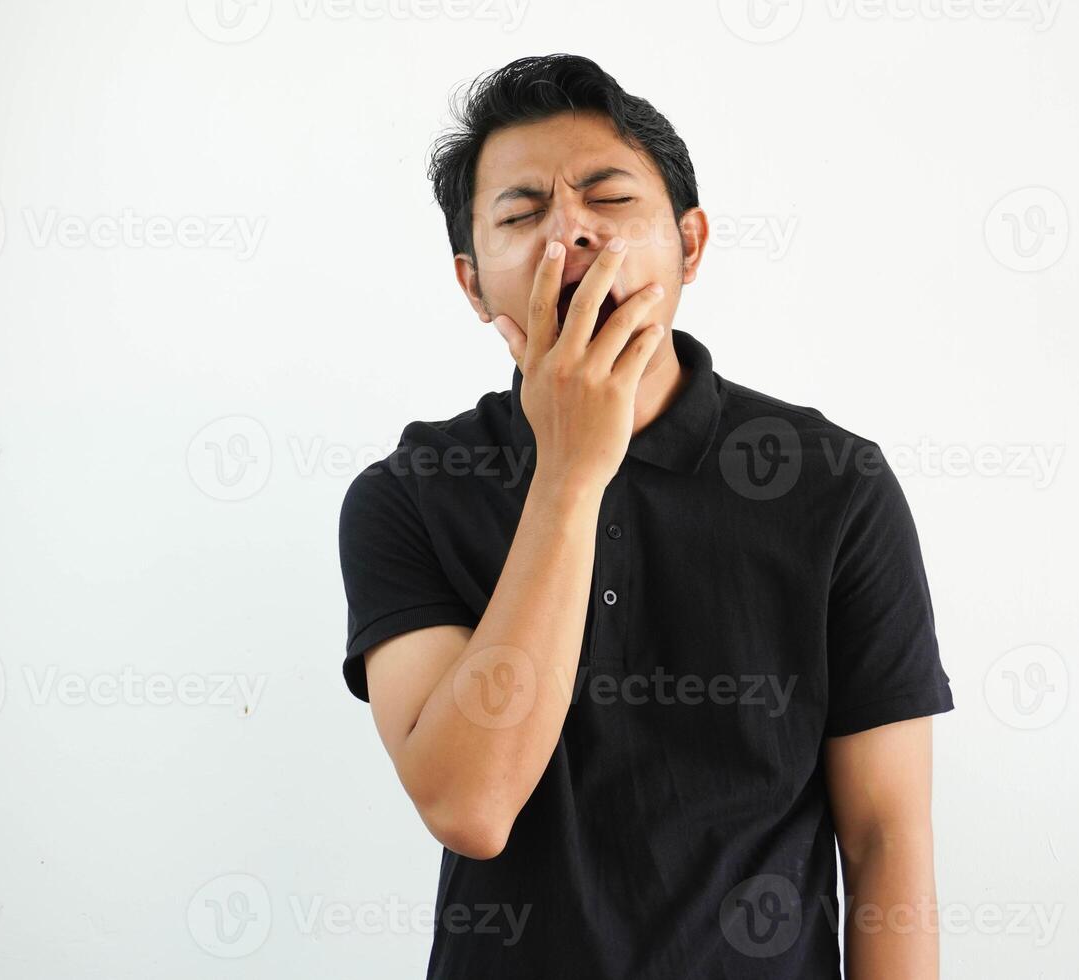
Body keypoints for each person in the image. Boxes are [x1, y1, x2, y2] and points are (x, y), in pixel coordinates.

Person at [337, 53, 955, 980]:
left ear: (691, 245)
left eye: (608, 198)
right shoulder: (410, 491)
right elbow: (471, 805)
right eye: (520, 213)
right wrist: (571, 476)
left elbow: (885, 840)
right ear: (472, 286)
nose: (568, 236)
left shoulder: (834, 484)